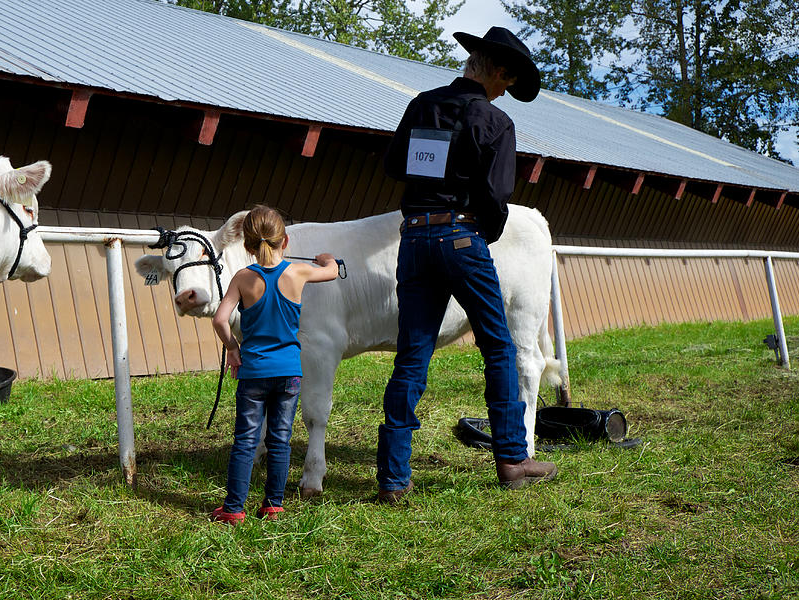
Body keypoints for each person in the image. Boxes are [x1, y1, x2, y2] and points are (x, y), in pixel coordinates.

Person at [376, 27, 558, 502]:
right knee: (498, 347)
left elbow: (396, 166)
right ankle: (513, 459)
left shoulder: (422, 105)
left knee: (412, 355)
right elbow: (498, 196)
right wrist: (483, 230)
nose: (505, 92)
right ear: (496, 71)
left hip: (414, 237)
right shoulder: (494, 122)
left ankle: (394, 477)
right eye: (507, 82)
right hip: (461, 236)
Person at [211, 205, 339, 523]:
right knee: (280, 439)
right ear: (285, 242)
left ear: (248, 246)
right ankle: (273, 505)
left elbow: (220, 319)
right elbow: (332, 270)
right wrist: (326, 259)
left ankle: (234, 509)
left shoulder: (242, 278)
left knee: (246, 440)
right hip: (289, 374)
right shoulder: (298, 272)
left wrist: (233, 348)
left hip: (254, 373)